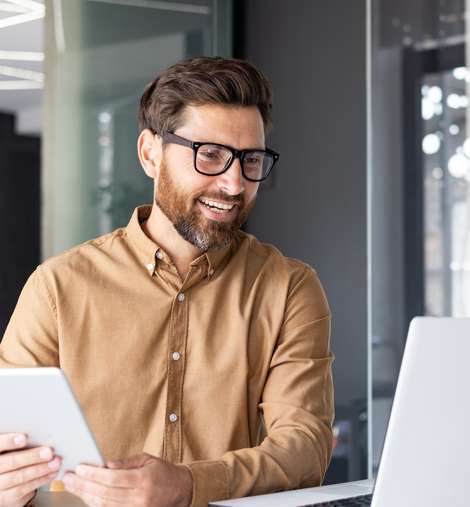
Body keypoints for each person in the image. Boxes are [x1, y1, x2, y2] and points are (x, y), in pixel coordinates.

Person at [0, 56, 334, 507]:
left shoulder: (289, 287)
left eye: (250, 159)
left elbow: (304, 449)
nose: (235, 184)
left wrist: (189, 485)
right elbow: (9, 440)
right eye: (210, 154)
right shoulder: (57, 287)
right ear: (150, 154)